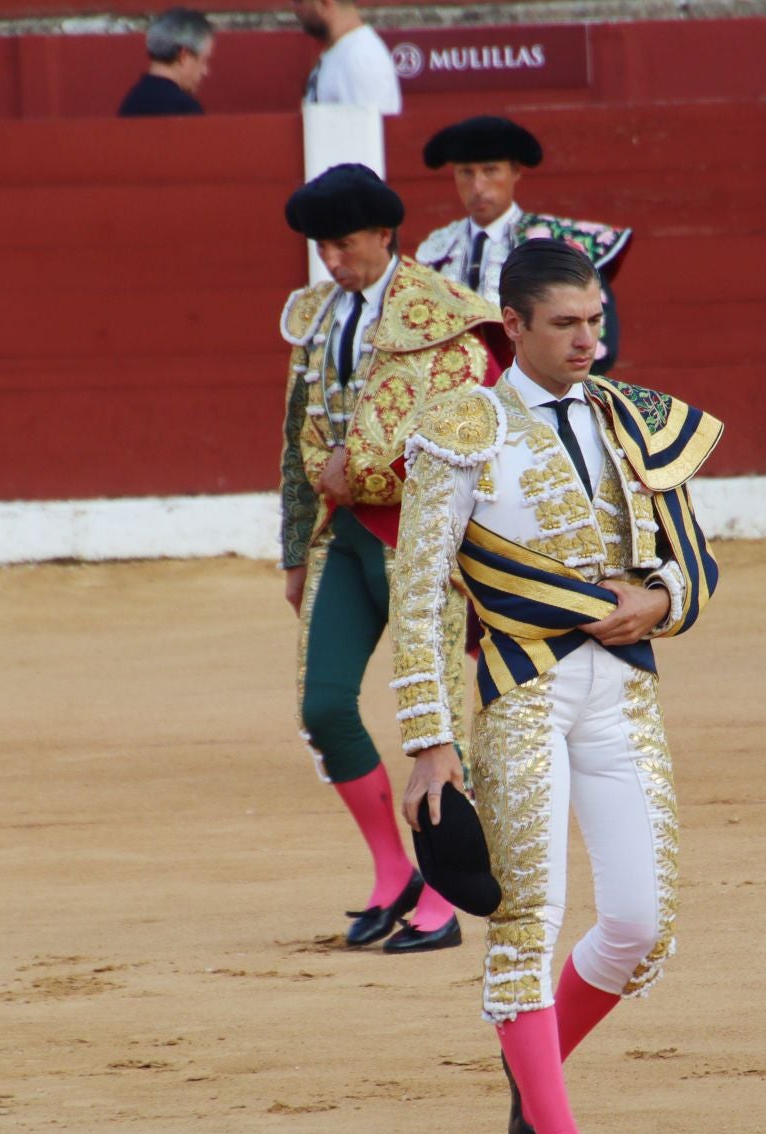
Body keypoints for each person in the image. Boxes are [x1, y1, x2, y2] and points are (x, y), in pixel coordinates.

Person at [390, 239, 721, 1134]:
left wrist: (659, 603)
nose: (588, 341)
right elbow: (421, 596)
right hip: (522, 688)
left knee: (641, 925)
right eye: (567, 324)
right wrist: (430, 741)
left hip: (623, 688)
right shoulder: (461, 426)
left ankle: (535, 1070)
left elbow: (692, 559)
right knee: (527, 919)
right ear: (516, 327)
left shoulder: (633, 419)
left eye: (596, 321)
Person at [276, 163, 502, 950]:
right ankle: (392, 873)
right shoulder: (316, 315)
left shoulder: (443, 312)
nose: (331, 261)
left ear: (383, 234)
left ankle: (442, 895)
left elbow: (470, 427)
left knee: (433, 715)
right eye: (322, 248)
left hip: (419, 538)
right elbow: (295, 435)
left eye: (343, 245)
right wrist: (293, 550)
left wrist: (364, 471)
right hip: (341, 537)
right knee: (322, 706)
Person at [416, 116, 634, 374]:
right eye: (466, 172)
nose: (477, 187)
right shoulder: (437, 251)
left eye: (490, 171)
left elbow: (598, 347)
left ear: (515, 171)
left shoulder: (559, 244)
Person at [296, 0, 401, 117]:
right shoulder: (341, 50)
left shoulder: (361, 57)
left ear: (325, 2)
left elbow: (370, 127)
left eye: (299, 1)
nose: (296, 10)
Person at [117, 8, 213, 117]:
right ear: (184, 57)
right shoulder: (184, 107)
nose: (205, 71)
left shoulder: (131, 101)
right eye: (203, 61)